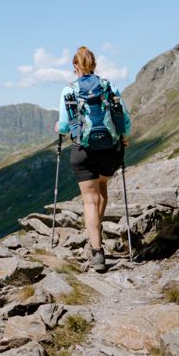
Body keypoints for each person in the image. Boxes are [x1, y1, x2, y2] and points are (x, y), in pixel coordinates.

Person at [55, 46, 131, 272]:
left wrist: (58, 128)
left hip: (83, 152)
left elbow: (64, 125)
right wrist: (124, 139)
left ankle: (96, 252)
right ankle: (96, 231)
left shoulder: (68, 91)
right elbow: (124, 119)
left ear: (75, 67)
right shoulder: (109, 86)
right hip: (110, 150)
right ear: (95, 65)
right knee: (102, 188)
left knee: (90, 200)